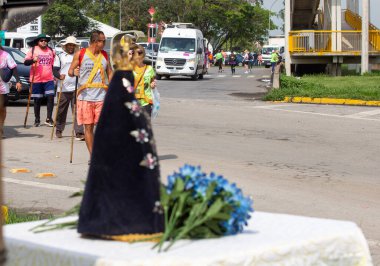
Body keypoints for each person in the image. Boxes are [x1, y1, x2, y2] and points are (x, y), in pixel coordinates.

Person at [68, 30, 113, 156]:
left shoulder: (105, 55)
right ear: (95, 41)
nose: (104, 43)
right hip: (85, 97)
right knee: (88, 128)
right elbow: (70, 71)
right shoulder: (81, 54)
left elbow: (109, 72)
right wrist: (74, 72)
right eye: (103, 41)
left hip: (101, 97)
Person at [24, 33, 58, 127]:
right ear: (37, 42)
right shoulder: (33, 50)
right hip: (36, 79)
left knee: (50, 97)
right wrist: (32, 60)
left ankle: (49, 119)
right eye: (41, 40)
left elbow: (53, 64)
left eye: (45, 40)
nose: (44, 42)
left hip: (49, 79)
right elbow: (25, 62)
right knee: (37, 99)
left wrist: (55, 74)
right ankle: (37, 119)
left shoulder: (51, 51)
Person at [55, 36, 84, 140]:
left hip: (77, 86)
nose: (71, 47)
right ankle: (59, 129)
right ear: (66, 46)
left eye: (73, 45)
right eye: (69, 45)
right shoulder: (60, 56)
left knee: (77, 110)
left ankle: (79, 132)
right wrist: (59, 76)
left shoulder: (79, 56)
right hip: (63, 87)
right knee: (61, 110)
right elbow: (54, 69)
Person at [0, 45, 22, 136]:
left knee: (2, 109)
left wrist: (18, 81)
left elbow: (13, 68)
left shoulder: (5, 55)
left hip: (2, 87)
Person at [132, 45, 157, 117]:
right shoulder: (130, 69)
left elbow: (152, 81)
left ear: (144, 55)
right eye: (136, 53)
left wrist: (153, 84)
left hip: (146, 102)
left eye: (140, 53)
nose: (138, 56)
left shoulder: (149, 69)